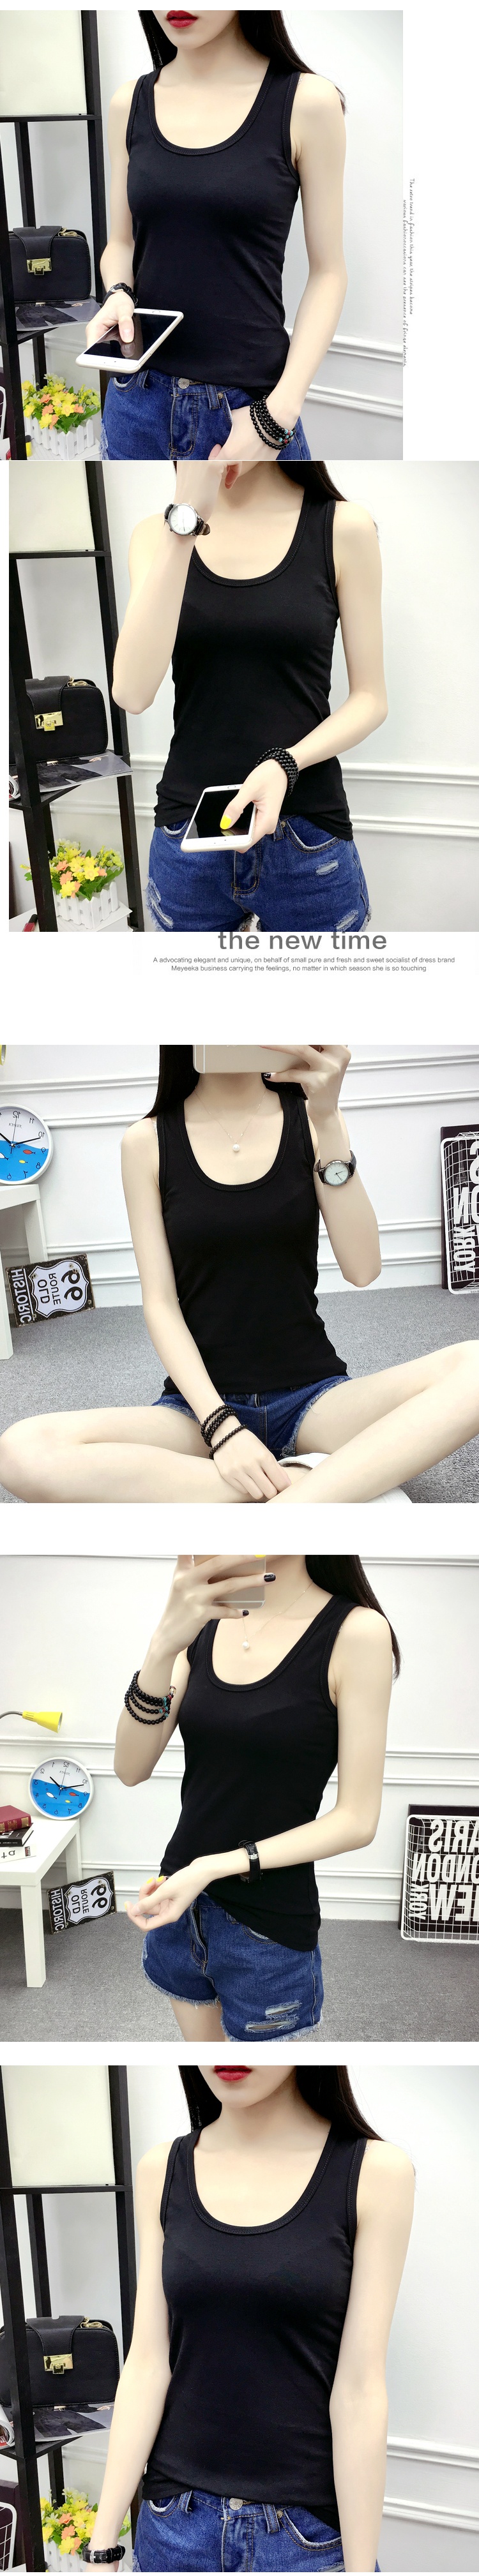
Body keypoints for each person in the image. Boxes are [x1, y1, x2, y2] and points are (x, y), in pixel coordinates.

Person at [1, 1045, 478, 1504]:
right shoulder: (146, 1142)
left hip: (313, 1398)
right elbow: (161, 1304)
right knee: (24, 1452)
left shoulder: (314, 1123)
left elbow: (363, 1269)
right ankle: (314, 1483)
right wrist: (222, 1429)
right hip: (198, 1412)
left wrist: (329, 1119)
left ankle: (277, 1506)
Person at [84, 2062, 414, 2572]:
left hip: (304, 2541)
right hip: (174, 2530)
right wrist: (102, 2544)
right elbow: (147, 2363)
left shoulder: (375, 2172)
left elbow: (360, 2390)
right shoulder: (161, 2170)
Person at [116, 1552, 397, 2041]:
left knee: (269, 2076)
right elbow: (130, 1768)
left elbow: (357, 1820)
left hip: (266, 1929)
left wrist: (213, 1866)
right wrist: (163, 1644)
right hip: (177, 1905)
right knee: (206, 2071)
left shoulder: (357, 1633)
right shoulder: (204, 1622)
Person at [112, 458, 384, 935]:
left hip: (306, 834)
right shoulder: (156, 536)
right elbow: (132, 694)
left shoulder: (343, 527)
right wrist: (185, 520)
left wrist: (286, 764)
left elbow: (371, 699)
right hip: (189, 833)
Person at [87, 9, 347, 461]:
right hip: (137, 403)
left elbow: (329, 272)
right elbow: (121, 243)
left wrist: (279, 413)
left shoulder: (307, 101)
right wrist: (118, 292)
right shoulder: (129, 103)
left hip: (250, 408)